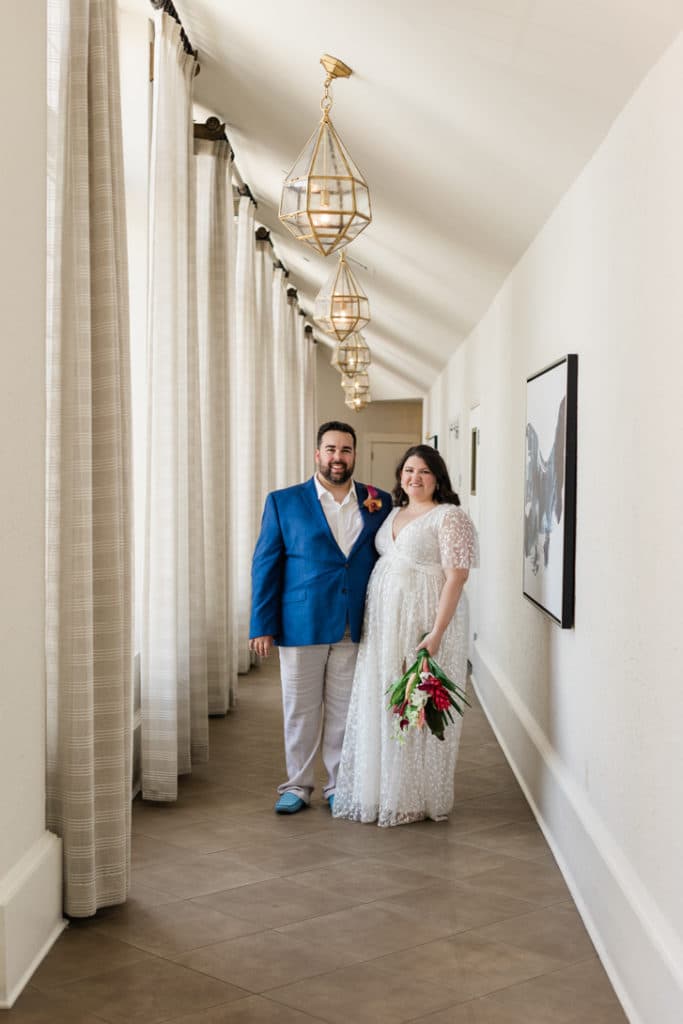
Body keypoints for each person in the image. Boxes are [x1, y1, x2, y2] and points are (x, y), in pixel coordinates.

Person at [249, 421, 392, 814]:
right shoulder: (284, 502)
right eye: (330, 449)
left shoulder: (379, 502)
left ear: (354, 455)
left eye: (345, 450)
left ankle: (338, 784)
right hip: (301, 622)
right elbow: (265, 565)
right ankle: (297, 784)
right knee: (300, 709)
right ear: (317, 454)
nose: (337, 457)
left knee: (346, 709)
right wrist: (261, 624)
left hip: (354, 621)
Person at [333, 444, 479, 827]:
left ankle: (413, 795)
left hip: (423, 620)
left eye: (424, 472)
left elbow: (457, 577)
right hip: (383, 624)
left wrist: (436, 632)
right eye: (408, 471)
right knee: (384, 700)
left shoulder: (449, 517)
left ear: (438, 479)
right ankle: (383, 789)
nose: (414, 478)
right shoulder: (393, 512)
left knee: (414, 706)